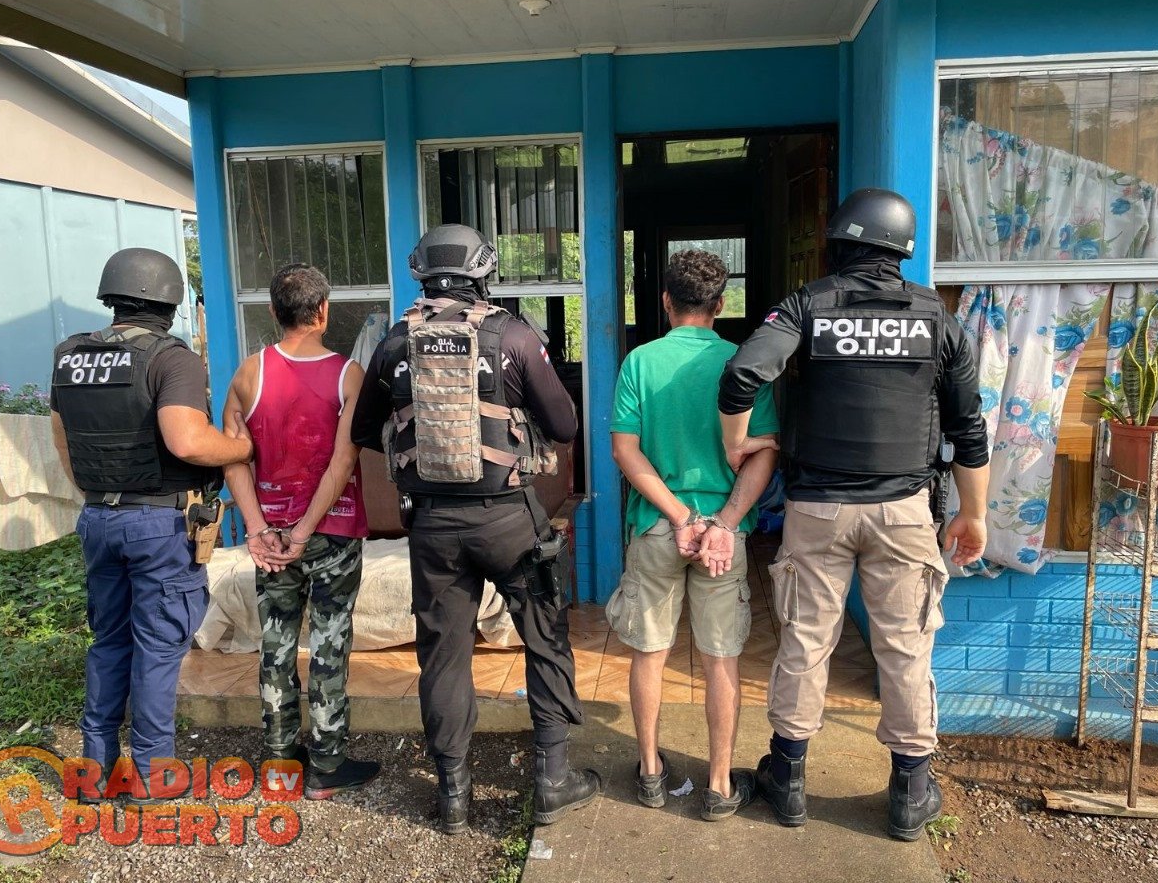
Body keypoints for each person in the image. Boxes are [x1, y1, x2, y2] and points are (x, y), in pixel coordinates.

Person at [717, 188, 990, 841]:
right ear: (902, 251)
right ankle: (910, 791)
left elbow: (741, 376)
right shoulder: (936, 317)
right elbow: (969, 429)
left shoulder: (807, 306)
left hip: (818, 510)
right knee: (905, 647)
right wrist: (975, 515)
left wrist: (736, 444)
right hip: (903, 513)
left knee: (806, 642)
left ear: (839, 243)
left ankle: (787, 780)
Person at [352, 224, 601, 834]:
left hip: (432, 526)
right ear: (482, 273)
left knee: (443, 654)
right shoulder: (512, 336)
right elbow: (565, 425)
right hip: (508, 518)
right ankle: (551, 779)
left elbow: (362, 431)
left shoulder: (394, 343)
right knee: (544, 637)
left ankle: (453, 795)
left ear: (423, 273)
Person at [50, 247, 251, 791]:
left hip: (98, 516)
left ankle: (94, 773)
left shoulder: (69, 356)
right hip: (158, 525)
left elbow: (63, 440)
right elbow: (186, 440)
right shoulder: (171, 359)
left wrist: (99, 494)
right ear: (168, 301)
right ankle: (152, 776)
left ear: (112, 297)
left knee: (109, 641)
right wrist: (239, 447)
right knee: (158, 650)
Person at [606, 249, 779, 821]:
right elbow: (763, 453)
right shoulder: (745, 364)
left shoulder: (640, 362)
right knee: (721, 659)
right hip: (723, 538)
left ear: (666, 302)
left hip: (657, 527)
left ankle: (650, 772)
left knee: (649, 653)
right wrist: (721, 523)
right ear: (720, 305)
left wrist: (680, 517)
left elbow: (625, 452)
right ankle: (720, 785)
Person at [221, 263, 380, 800]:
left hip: (271, 537)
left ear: (273, 311)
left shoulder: (249, 373)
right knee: (330, 643)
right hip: (331, 532)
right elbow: (343, 461)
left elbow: (233, 458)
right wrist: (306, 530)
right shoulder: (348, 375)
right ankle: (328, 765)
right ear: (323, 311)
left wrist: (258, 528)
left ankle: (281, 763)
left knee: (276, 643)